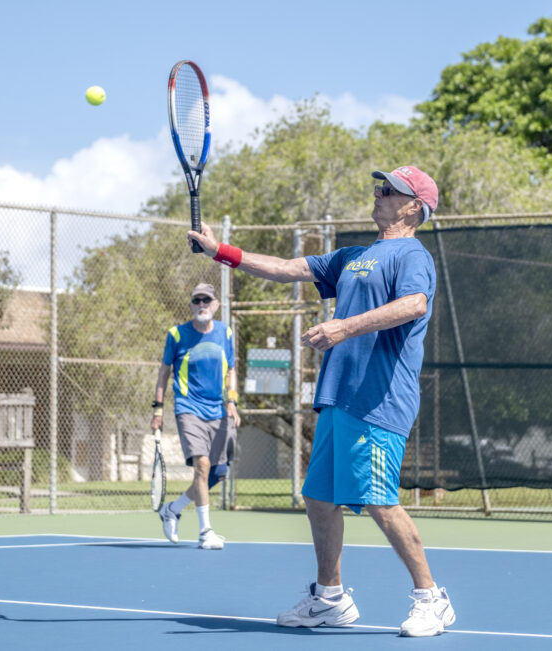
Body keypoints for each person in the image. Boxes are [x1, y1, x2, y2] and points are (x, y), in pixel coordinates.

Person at [187, 166, 455, 637]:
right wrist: (220, 251)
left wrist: (342, 327)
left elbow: (414, 305)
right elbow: (286, 268)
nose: (378, 193)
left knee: (379, 500)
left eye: (389, 190)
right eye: (379, 186)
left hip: (379, 400)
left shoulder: (412, 255)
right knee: (318, 498)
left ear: (414, 206)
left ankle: (431, 598)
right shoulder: (354, 256)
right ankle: (330, 597)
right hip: (338, 398)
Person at [151, 282, 240, 550]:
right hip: (188, 408)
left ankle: (173, 509)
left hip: (219, 411)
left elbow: (231, 370)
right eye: (196, 300)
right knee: (201, 466)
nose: (201, 305)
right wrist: (157, 408)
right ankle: (206, 532)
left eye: (206, 300)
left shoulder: (225, 332)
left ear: (216, 304)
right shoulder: (176, 335)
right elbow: (164, 371)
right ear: (191, 305)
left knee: (216, 474)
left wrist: (232, 402)